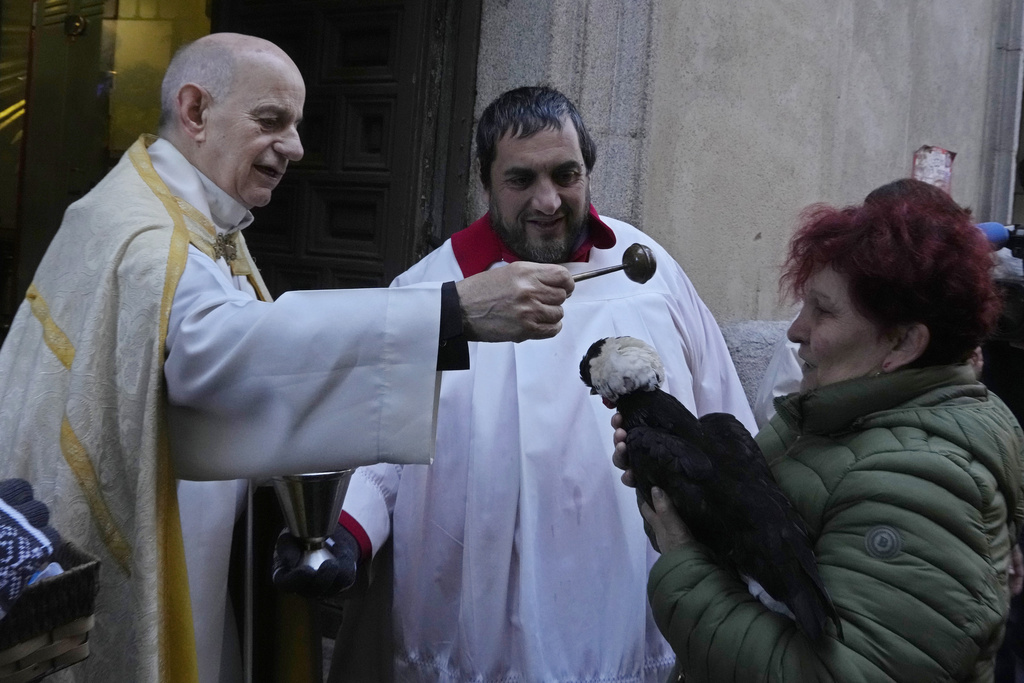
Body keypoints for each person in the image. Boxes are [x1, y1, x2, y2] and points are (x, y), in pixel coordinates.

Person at [0, 34, 574, 682]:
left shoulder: (179, 211)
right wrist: (451, 314)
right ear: (195, 111)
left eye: (296, 126)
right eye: (272, 121)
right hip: (159, 554)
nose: (296, 148)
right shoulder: (147, 239)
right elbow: (227, 356)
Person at [310, 86, 755, 682]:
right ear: (486, 183)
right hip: (478, 602)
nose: (548, 201)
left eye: (565, 174)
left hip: (619, 590)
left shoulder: (650, 274)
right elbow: (381, 450)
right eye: (521, 179)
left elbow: (722, 415)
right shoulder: (432, 291)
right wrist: (348, 539)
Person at [614, 179, 1024, 681]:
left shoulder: (921, 483)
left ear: (902, 343)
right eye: (804, 305)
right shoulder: (833, 419)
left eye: (823, 311)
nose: (794, 330)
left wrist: (684, 566)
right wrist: (678, 501)